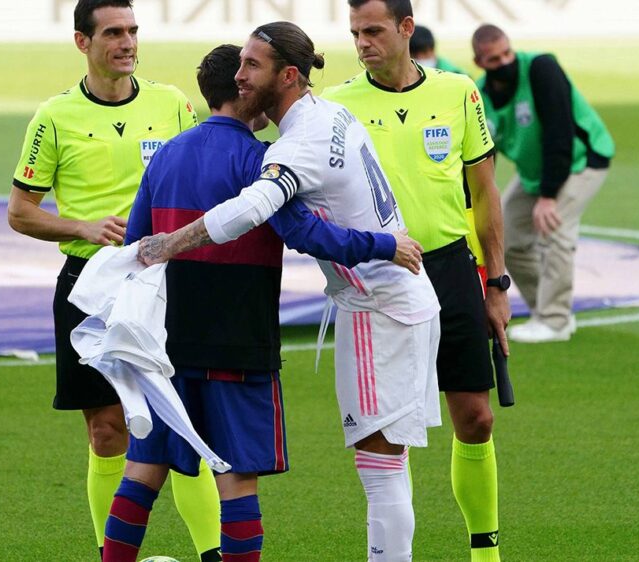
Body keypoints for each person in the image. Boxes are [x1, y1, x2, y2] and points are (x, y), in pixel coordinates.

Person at [136, 22, 442, 562]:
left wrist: (169, 244)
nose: (240, 73)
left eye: (252, 64)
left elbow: (255, 211)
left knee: (380, 467)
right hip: (395, 303)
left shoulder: (297, 143)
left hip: (380, 308)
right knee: (385, 464)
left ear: (289, 74)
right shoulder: (329, 115)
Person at [5, 1, 221, 559]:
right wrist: (82, 225)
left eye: (132, 31)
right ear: (83, 42)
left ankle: (212, 554)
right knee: (106, 430)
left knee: (183, 424)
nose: (127, 42)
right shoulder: (54, 117)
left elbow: (200, 178)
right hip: (91, 284)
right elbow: (20, 212)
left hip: (164, 282)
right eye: (113, 33)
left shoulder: (171, 105)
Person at [321, 2, 510, 560]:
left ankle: (484, 550)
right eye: (355, 33)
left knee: (475, 418)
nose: (362, 43)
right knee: (391, 433)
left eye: (374, 31)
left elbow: (485, 192)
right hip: (382, 276)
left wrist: (495, 282)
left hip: (452, 268)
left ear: (406, 29)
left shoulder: (458, 92)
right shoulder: (336, 106)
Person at [472, 23, 614, 343]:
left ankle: (555, 320)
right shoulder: (479, 96)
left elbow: (559, 134)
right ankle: (547, 309)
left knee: (555, 229)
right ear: (480, 63)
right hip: (537, 173)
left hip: (582, 159)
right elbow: (483, 154)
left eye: (507, 53)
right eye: (495, 60)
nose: (504, 62)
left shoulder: (540, 68)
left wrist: (548, 196)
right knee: (502, 235)